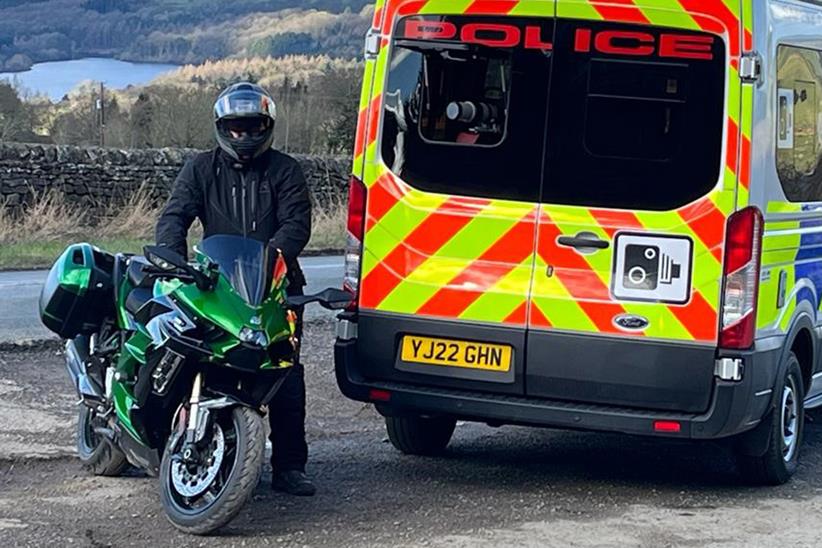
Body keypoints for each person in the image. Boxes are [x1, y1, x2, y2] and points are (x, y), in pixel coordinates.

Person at [155, 82, 315, 496]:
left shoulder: (286, 170)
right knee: (192, 356)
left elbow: (297, 223)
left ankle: (290, 465)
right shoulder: (200, 168)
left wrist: (271, 260)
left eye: (252, 127)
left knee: (285, 375)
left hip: (276, 284)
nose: (243, 136)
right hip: (216, 285)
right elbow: (175, 215)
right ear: (222, 127)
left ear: (266, 126)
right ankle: (172, 444)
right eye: (235, 128)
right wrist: (174, 261)